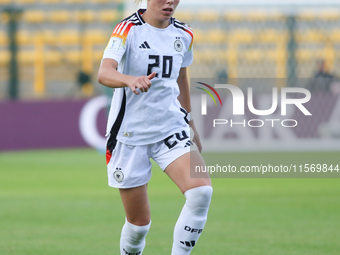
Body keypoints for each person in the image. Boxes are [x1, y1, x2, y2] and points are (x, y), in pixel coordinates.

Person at [97, 0, 212, 254]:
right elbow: (104, 73)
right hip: (130, 135)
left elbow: (182, 76)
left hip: (170, 128)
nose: (170, 1)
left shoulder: (185, 33)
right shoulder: (126, 29)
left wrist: (190, 121)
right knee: (138, 226)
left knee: (201, 192)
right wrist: (129, 80)